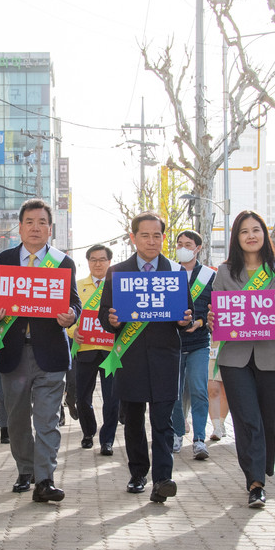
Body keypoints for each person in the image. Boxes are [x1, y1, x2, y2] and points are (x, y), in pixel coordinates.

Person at [0, 199, 82, 503]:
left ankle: (45, 479)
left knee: (47, 419)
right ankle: (25, 468)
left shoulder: (62, 262)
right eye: (29, 222)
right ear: (20, 227)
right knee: (15, 419)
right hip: (13, 353)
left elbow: (75, 303)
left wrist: (71, 315)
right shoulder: (2, 261)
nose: (36, 228)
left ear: (50, 228)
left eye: (42, 222)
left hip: (50, 352)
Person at [99, 212, 194, 502]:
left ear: (163, 238)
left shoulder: (176, 272)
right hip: (130, 356)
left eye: (157, 236)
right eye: (145, 235)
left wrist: (185, 320)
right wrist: (112, 321)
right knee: (135, 419)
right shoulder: (117, 272)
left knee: (163, 421)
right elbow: (104, 315)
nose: (152, 241)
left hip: (165, 357)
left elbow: (189, 316)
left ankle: (163, 479)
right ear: (133, 238)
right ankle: (138, 473)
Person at [208, 210, 275, 508]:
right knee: (247, 418)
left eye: (256, 229)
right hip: (235, 357)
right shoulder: (224, 272)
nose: (251, 235)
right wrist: (212, 319)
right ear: (236, 237)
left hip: (273, 354)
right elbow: (217, 312)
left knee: (266, 418)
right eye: (244, 231)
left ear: (264, 234)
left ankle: (260, 466)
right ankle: (255, 482)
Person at [67, 244, 119, 455]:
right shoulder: (77, 286)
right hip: (85, 349)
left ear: (109, 262)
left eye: (102, 259)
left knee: (111, 398)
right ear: (88, 262)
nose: (98, 263)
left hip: (111, 351)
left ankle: (107, 440)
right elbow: (70, 313)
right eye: (93, 259)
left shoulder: (118, 285)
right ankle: (88, 432)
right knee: (81, 397)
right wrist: (72, 332)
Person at [172, 231, 215, 460]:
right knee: (174, 392)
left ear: (198, 248)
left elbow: (214, 308)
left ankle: (199, 439)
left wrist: (199, 322)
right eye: (179, 244)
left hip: (199, 342)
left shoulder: (209, 275)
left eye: (188, 244)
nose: (183, 248)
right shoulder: (168, 271)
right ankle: (177, 433)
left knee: (199, 390)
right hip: (173, 343)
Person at [207, 350, 229, 441]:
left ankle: (221, 422)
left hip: (230, 349)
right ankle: (216, 428)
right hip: (212, 349)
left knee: (225, 393)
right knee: (213, 391)